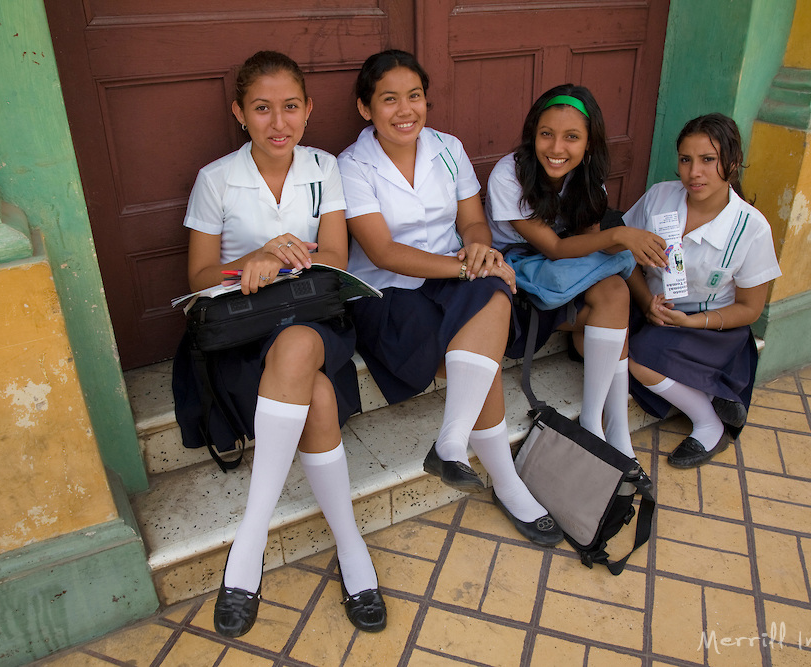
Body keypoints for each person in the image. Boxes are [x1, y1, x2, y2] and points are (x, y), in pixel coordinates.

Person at [173, 50, 386, 637]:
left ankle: (248, 551)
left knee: (298, 348)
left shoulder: (324, 166)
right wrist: (255, 258)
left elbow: (338, 258)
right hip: (243, 328)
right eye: (262, 109)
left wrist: (298, 255)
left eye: (291, 107)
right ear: (239, 113)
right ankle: (352, 550)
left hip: (315, 318)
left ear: (309, 109)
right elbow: (196, 281)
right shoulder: (216, 178)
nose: (278, 123)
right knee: (316, 398)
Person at [338, 49, 563, 547]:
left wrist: (481, 251)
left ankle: (453, 444)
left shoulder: (447, 147)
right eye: (389, 99)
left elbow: (471, 219)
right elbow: (383, 251)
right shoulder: (351, 165)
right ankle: (505, 482)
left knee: (496, 291)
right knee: (479, 345)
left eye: (414, 96)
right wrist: (465, 266)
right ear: (365, 108)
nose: (405, 110)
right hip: (386, 292)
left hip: (450, 274)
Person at [485, 84, 667, 488]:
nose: (556, 147)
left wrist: (645, 296)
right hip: (518, 279)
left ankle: (604, 425)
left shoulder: (588, 181)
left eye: (572, 137)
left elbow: (587, 248)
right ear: (533, 133)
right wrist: (619, 236)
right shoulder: (509, 174)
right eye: (546, 133)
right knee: (612, 266)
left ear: (589, 143)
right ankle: (606, 430)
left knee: (615, 291)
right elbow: (554, 246)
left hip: (562, 273)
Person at [624, 113, 781, 468]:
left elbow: (750, 309)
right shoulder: (660, 198)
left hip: (712, 326)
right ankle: (713, 389)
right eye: (685, 160)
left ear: (733, 163)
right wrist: (646, 300)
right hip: (653, 308)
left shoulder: (750, 229)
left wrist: (693, 323)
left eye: (708, 160)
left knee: (639, 357)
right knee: (590, 341)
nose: (694, 172)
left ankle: (708, 421)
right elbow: (626, 256)